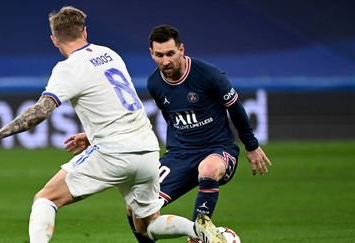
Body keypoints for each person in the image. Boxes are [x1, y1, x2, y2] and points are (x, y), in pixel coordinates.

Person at [0, 7, 224, 243]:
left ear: (54, 39)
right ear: (85, 31)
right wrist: (92, 135)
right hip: (147, 150)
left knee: (46, 198)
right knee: (147, 224)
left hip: (114, 152)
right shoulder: (109, 54)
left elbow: (40, 112)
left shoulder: (68, 68)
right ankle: (201, 231)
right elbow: (117, 105)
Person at [66, 24, 272, 243]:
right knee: (136, 209)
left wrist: (251, 146)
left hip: (217, 149)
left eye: (171, 54)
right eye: (159, 55)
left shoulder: (208, 74)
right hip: (179, 155)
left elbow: (235, 107)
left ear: (181, 49)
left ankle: (200, 234)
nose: (166, 61)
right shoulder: (155, 84)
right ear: (151, 54)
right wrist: (96, 136)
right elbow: (147, 119)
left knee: (208, 168)